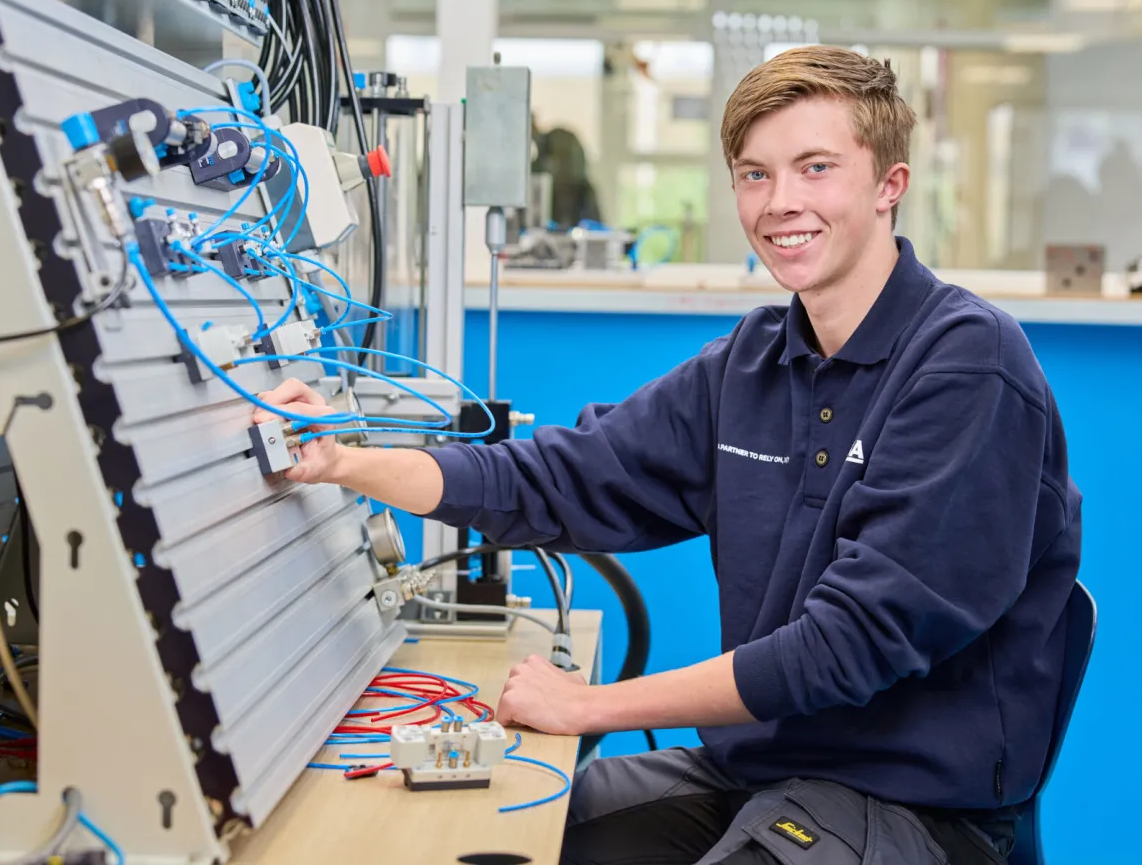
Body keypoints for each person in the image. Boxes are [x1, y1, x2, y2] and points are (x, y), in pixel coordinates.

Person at [256, 46, 1082, 865]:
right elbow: (556, 477)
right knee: (519, 832)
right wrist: (343, 457)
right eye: (755, 174)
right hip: (760, 768)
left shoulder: (968, 364)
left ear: (889, 185)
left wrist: (593, 706)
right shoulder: (752, 364)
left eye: (816, 167)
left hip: (915, 807)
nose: (781, 202)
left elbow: (848, 646)